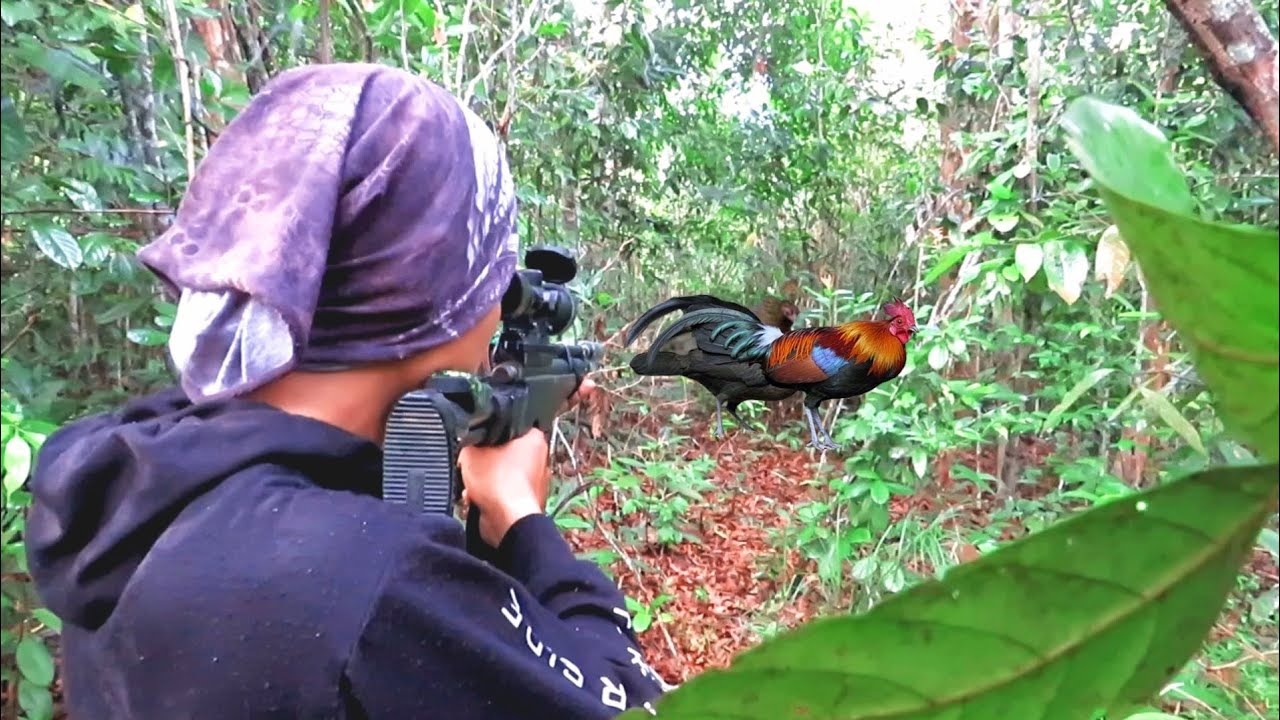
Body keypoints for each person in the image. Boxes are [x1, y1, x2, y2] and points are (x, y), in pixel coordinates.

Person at [25, 63, 669, 719]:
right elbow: (630, 700)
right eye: (489, 274)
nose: (496, 313)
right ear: (427, 287)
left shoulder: (132, 480)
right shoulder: (375, 587)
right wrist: (524, 523)